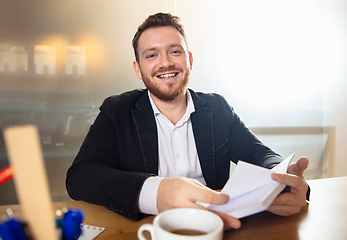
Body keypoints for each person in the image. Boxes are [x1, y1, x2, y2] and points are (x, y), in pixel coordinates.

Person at [66, 12, 309, 230]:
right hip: (148, 230)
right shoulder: (116, 110)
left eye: (175, 51)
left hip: (217, 229)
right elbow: (80, 176)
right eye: (152, 55)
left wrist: (286, 180)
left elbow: (261, 156)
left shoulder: (218, 108)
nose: (165, 63)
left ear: (189, 60)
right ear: (138, 69)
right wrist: (156, 191)